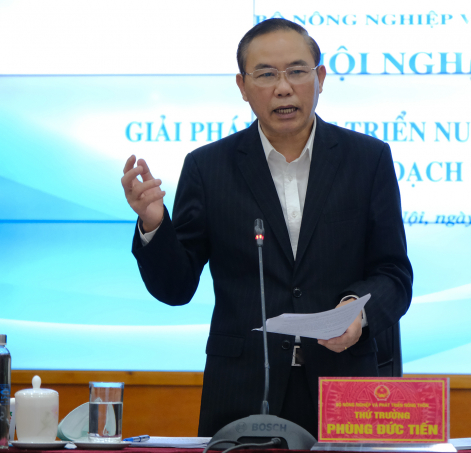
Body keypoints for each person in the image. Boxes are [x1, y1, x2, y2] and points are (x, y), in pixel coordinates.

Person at [121, 18, 412, 438]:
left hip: (343, 387)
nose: (283, 87)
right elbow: (175, 288)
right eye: (266, 74)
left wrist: (357, 311)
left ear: (321, 77)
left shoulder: (367, 160)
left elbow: (394, 275)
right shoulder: (208, 167)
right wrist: (154, 225)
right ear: (241, 85)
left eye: (297, 71)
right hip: (242, 391)